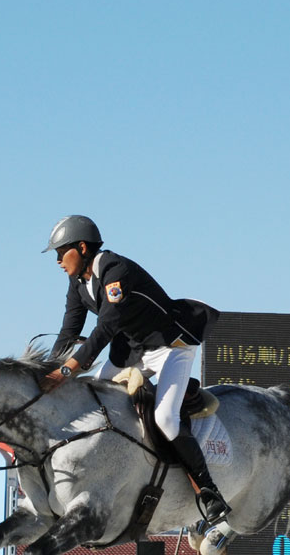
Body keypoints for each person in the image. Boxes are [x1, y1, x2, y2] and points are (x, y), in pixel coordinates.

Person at [40, 215, 230, 525]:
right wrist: (46, 369)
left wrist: (64, 373)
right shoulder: (77, 284)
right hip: (133, 352)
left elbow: (105, 329)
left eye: (62, 253)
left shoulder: (116, 273)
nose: (59, 261)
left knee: (165, 418)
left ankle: (209, 494)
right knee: (94, 406)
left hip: (171, 346)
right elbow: (69, 330)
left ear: (82, 247)